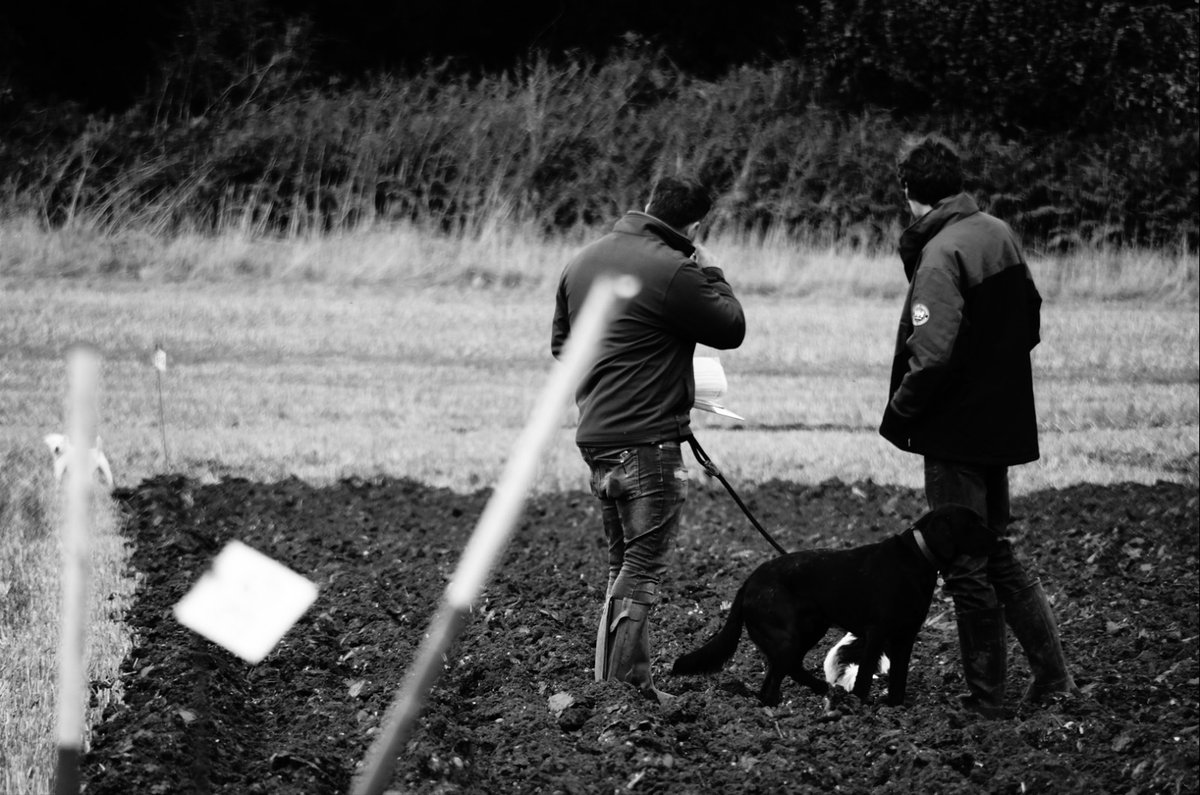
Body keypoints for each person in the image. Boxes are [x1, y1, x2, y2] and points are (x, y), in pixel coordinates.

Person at [879, 134, 1078, 717]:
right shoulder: (999, 232)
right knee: (998, 553)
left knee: (966, 567)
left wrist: (901, 411)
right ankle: (1053, 680)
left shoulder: (941, 252)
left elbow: (932, 353)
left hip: (956, 431)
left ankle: (987, 700)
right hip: (1000, 421)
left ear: (908, 191)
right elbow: (1031, 317)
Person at [551, 176, 746, 704]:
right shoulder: (677, 269)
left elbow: (564, 348)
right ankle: (628, 692)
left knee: (622, 564)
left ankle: (605, 687)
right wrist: (711, 267)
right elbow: (730, 327)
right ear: (695, 225)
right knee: (641, 570)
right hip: (649, 442)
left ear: (646, 205)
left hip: (596, 438)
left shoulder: (580, 261)